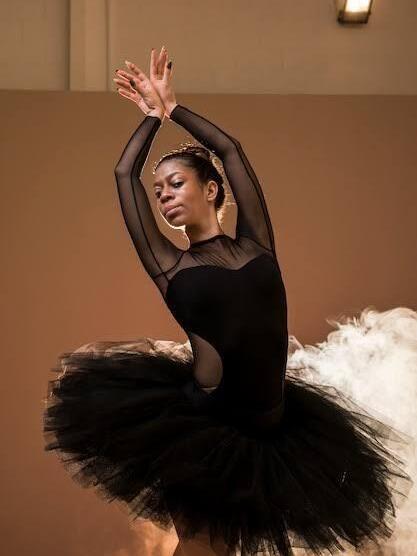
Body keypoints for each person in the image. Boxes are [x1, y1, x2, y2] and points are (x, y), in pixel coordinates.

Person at [43, 46, 412, 556]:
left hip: (274, 428)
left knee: (229, 549)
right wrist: (150, 119)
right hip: (209, 425)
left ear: (212, 189)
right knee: (202, 545)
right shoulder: (170, 265)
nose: (164, 195)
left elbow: (231, 150)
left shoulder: (257, 243)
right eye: (159, 191)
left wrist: (174, 109)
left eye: (176, 183)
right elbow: (125, 174)